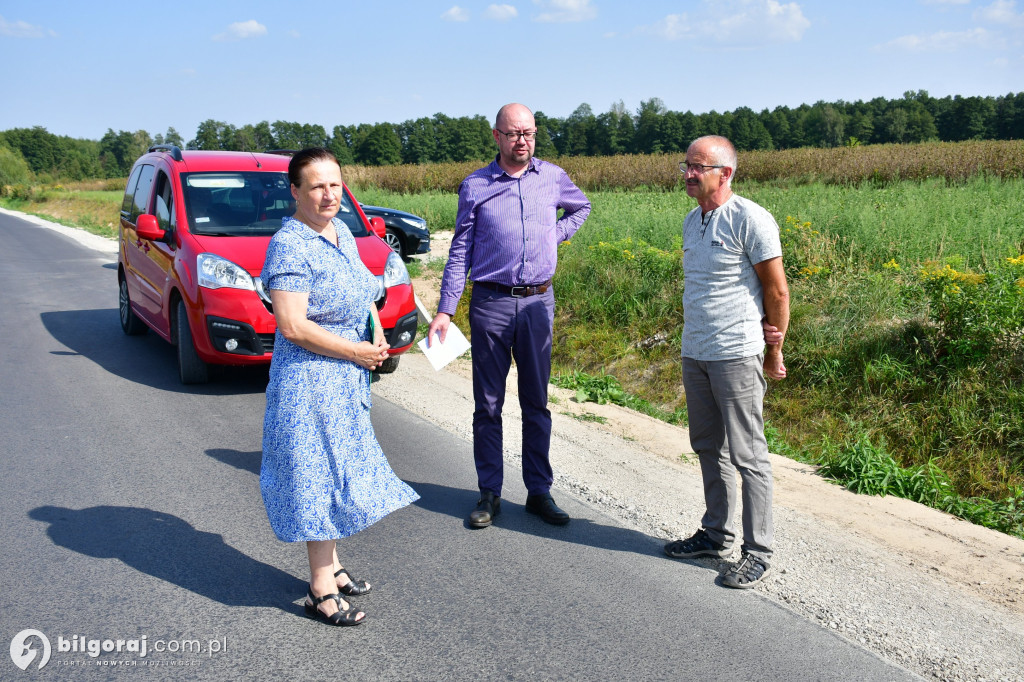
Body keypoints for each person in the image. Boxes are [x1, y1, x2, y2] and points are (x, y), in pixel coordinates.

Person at [260, 147, 419, 626]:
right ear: (295, 191)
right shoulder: (289, 245)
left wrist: (378, 315)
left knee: (339, 467)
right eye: (317, 186)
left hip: (343, 379)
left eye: (335, 184)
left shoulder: (341, 231)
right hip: (309, 382)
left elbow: (359, 287)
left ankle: (331, 565)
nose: (329, 195)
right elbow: (291, 325)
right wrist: (355, 351)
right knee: (317, 476)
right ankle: (319, 587)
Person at [427, 103, 591, 528]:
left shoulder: (552, 177)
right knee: (488, 402)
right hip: (491, 303)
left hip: (538, 303)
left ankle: (539, 491)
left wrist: (554, 237)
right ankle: (489, 493)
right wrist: (446, 309)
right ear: (496, 136)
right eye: (515, 133)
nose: (523, 140)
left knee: (536, 401)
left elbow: (581, 208)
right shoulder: (476, 185)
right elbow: (460, 249)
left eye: (530, 133)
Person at [664, 135, 790, 589]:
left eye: (699, 167)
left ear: (726, 173)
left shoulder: (752, 219)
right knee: (707, 447)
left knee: (748, 454)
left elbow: (776, 291)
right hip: (694, 350)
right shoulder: (690, 220)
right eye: (686, 166)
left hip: (736, 353)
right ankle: (715, 534)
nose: (689, 174)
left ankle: (758, 552)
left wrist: (774, 349)